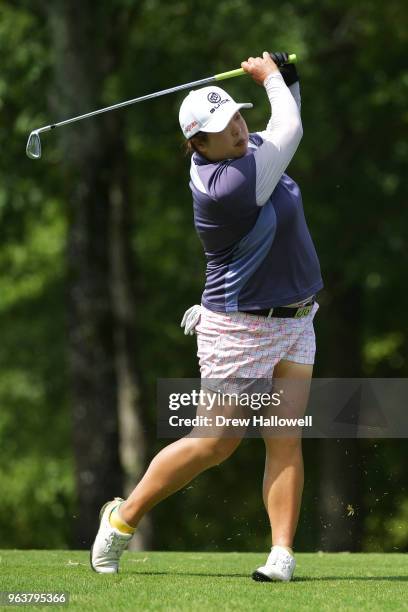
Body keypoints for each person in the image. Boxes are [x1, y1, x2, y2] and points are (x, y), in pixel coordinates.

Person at [90, 51, 323, 581]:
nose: (240, 130)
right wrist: (270, 81)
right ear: (199, 145)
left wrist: (288, 80)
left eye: (240, 117)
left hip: (295, 320)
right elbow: (288, 126)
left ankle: (282, 556)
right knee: (215, 443)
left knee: (286, 436)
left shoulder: (248, 154)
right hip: (240, 326)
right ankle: (121, 521)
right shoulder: (229, 187)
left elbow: (281, 125)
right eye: (225, 128)